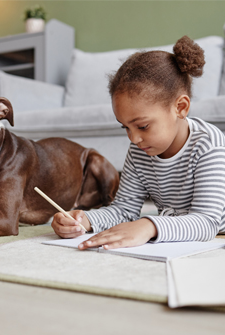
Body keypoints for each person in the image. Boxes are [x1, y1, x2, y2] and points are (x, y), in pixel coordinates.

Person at [51, 35, 225, 250]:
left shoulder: (209, 144)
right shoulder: (139, 150)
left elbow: (207, 223)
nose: (133, 139)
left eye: (142, 126)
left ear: (180, 108)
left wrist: (148, 225)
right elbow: (124, 210)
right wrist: (84, 220)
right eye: (125, 127)